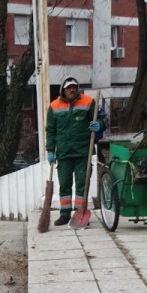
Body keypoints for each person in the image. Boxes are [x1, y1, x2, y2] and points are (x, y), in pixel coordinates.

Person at [45, 77, 101, 226]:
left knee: (82, 184)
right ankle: (64, 214)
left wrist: (99, 125)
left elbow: (100, 119)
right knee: (64, 184)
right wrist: (50, 150)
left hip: (83, 152)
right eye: (69, 87)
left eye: (74, 87)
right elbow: (50, 131)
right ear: (63, 90)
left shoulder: (88, 102)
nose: (72, 90)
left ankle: (79, 213)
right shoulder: (54, 106)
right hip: (63, 153)